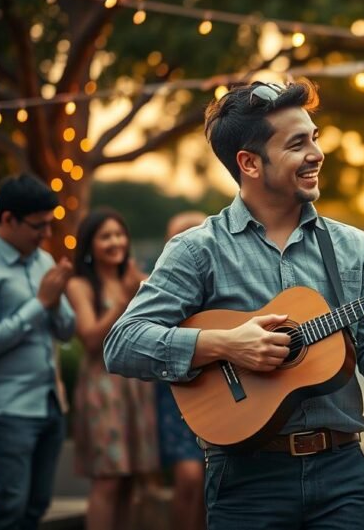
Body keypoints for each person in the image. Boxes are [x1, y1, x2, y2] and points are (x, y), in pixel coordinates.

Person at [103, 79, 364, 529]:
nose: (316, 154)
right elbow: (122, 344)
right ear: (249, 162)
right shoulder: (197, 250)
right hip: (245, 479)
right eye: (296, 144)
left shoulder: (355, 247)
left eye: (314, 137)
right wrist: (226, 345)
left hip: (341, 470)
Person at [0, 173, 75, 530]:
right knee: (10, 509)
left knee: (37, 507)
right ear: (8, 219)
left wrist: (55, 303)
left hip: (50, 403)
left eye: (49, 226)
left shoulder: (42, 260)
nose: (46, 236)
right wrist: (40, 303)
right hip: (8, 408)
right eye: (38, 226)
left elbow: (67, 330)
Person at [65, 209, 159, 530]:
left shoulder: (138, 279)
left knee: (131, 481)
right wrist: (126, 300)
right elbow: (90, 339)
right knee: (108, 480)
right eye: (105, 236)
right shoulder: (79, 285)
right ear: (89, 245)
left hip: (136, 385)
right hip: (102, 389)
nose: (115, 242)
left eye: (119, 235)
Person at [153, 210, 207, 530]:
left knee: (209, 478)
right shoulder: (163, 285)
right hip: (176, 394)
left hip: (218, 392)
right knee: (188, 476)